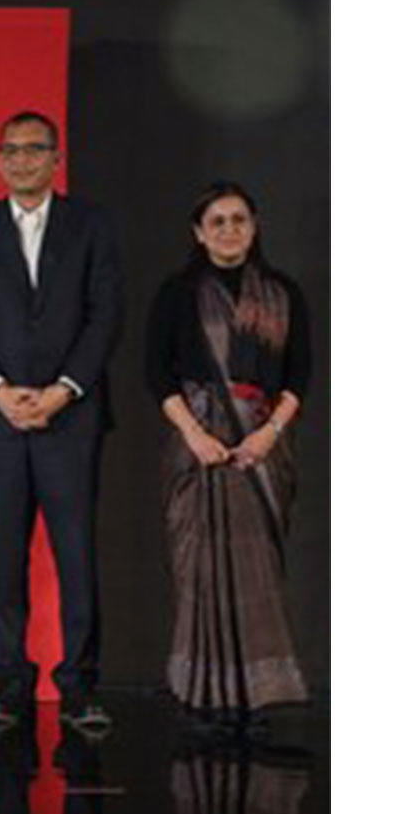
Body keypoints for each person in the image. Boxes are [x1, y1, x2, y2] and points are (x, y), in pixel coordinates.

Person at [0, 112, 123, 732]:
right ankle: (9, 685)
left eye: (34, 149)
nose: (22, 159)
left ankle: (78, 687)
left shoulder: (91, 224)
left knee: (75, 556)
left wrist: (62, 391)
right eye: (11, 150)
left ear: (56, 158)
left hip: (69, 419)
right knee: (3, 560)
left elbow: (105, 318)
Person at [145, 181, 311, 729]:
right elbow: (156, 372)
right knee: (199, 570)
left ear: (254, 225)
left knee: (255, 570)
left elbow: (299, 375)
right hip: (198, 445)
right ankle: (199, 694)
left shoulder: (284, 294)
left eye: (238, 219)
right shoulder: (177, 293)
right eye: (216, 221)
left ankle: (255, 697)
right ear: (198, 232)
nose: (229, 230)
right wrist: (194, 434)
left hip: (262, 445)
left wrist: (269, 436)